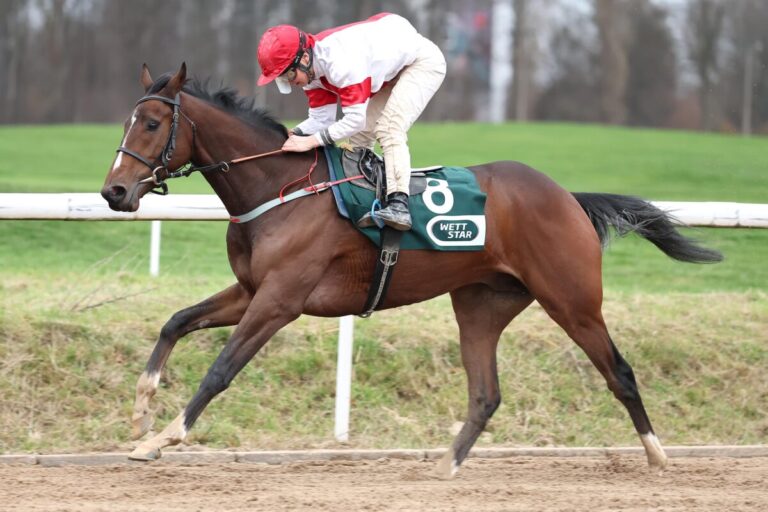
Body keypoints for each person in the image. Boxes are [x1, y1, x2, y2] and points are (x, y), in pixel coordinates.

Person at [256, 13, 446, 231]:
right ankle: (363, 200)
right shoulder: (309, 72)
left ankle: (399, 204)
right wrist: (291, 135)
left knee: (389, 129)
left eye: (288, 76)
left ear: (305, 58)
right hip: (389, 66)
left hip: (421, 63)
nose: (291, 83)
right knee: (359, 139)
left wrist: (310, 142)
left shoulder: (340, 63)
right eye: (282, 79)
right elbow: (321, 120)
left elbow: (354, 119)